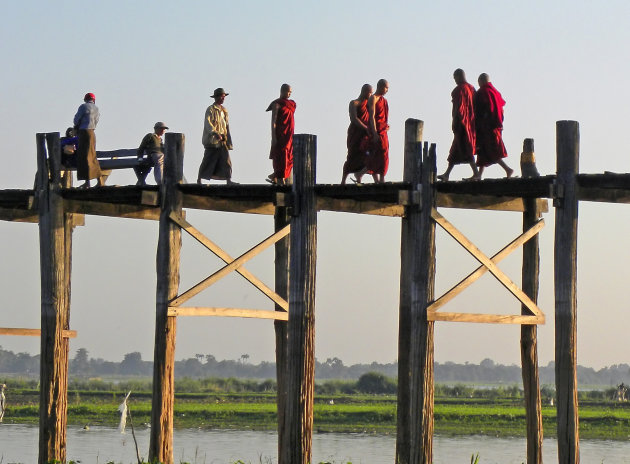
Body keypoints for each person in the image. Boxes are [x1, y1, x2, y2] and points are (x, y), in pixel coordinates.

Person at [438, 69, 480, 181]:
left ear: (459, 76)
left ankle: (476, 173)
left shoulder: (459, 90)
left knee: (466, 147)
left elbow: (458, 108)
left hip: (462, 124)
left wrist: (455, 121)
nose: (455, 80)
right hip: (471, 123)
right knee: (455, 149)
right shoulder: (471, 89)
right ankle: (447, 174)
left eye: (455, 78)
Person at [474, 73, 513, 179]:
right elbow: (500, 109)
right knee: (483, 150)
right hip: (496, 125)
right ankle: (478, 175)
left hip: (488, 127)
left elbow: (483, 110)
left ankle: (508, 169)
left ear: (481, 81)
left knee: (492, 151)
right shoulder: (495, 92)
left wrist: (480, 123)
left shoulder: (483, 92)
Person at [198, 87, 235, 185]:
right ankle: (199, 179)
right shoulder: (211, 109)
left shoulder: (224, 110)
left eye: (224, 97)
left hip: (222, 139)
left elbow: (226, 126)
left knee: (226, 160)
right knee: (207, 159)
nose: (223, 99)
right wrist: (214, 133)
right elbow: (208, 123)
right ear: (217, 97)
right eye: (221, 97)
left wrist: (226, 137)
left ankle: (228, 180)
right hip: (213, 140)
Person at [341, 84, 372, 185]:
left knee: (369, 155)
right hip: (355, 133)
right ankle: (343, 181)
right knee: (352, 156)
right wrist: (365, 127)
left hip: (365, 135)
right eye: (369, 92)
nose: (371, 94)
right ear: (364, 91)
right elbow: (354, 119)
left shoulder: (369, 105)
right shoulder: (354, 103)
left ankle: (359, 176)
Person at [266, 84, 296, 185]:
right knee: (281, 156)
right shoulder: (277, 104)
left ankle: (275, 175)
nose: (289, 94)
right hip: (280, 134)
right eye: (288, 92)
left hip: (289, 135)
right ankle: (279, 178)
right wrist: (273, 137)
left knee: (290, 157)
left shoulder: (291, 104)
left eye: (290, 92)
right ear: (282, 91)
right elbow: (273, 121)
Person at [73, 92, 103, 188]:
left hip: (83, 133)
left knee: (83, 157)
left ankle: (88, 182)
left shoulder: (83, 107)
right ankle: (99, 180)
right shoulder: (97, 108)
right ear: (93, 100)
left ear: (85, 99)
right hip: (92, 133)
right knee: (92, 156)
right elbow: (97, 121)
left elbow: (76, 120)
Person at [367, 79, 390, 183]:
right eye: (386, 87)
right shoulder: (373, 98)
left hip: (383, 131)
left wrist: (386, 126)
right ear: (380, 86)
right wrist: (375, 132)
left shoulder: (384, 100)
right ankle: (376, 179)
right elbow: (371, 116)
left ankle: (381, 178)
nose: (387, 90)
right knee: (375, 153)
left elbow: (383, 117)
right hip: (375, 130)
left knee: (384, 154)